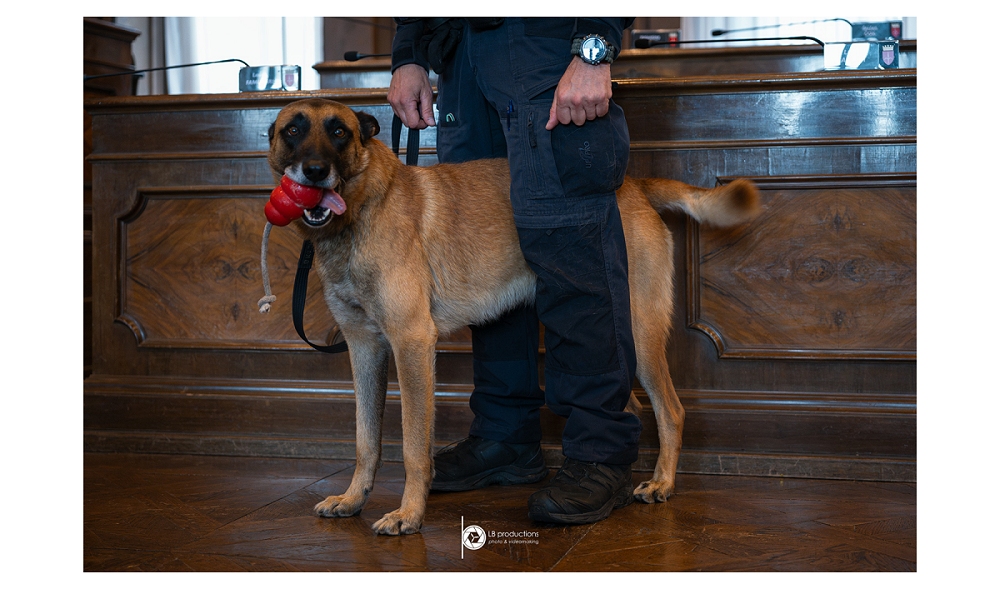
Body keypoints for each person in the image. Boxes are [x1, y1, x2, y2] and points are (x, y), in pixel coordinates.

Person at [388, 17, 640, 525]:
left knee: (574, 259)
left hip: (549, 51)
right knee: (485, 270)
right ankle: (505, 437)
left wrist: (594, 50)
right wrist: (409, 53)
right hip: (462, 57)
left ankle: (599, 451)